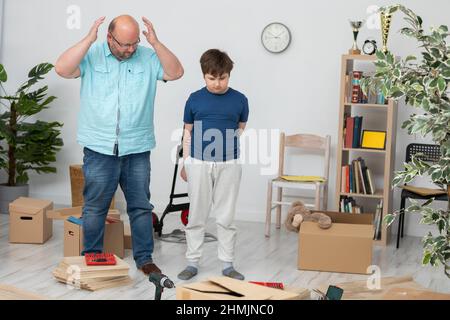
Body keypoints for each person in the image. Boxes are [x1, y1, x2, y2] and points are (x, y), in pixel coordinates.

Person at [55, 15, 183, 275]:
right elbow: (62, 69)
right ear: (109, 38)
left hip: (136, 146)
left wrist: (155, 43)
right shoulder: (93, 54)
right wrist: (89, 39)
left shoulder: (147, 57)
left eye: (134, 43)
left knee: (140, 206)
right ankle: (91, 256)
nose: (130, 49)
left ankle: (144, 259)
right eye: (124, 44)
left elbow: (176, 72)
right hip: (99, 146)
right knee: (94, 207)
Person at [178, 49, 249, 280]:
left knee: (226, 217)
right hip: (198, 163)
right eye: (212, 78)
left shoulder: (240, 100)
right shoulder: (194, 99)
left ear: (229, 74)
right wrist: (185, 163)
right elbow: (187, 133)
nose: (217, 83)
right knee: (197, 215)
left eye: (222, 77)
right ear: (203, 76)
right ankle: (192, 262)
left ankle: (227, 264)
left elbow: (240, 128)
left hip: (229, 164)